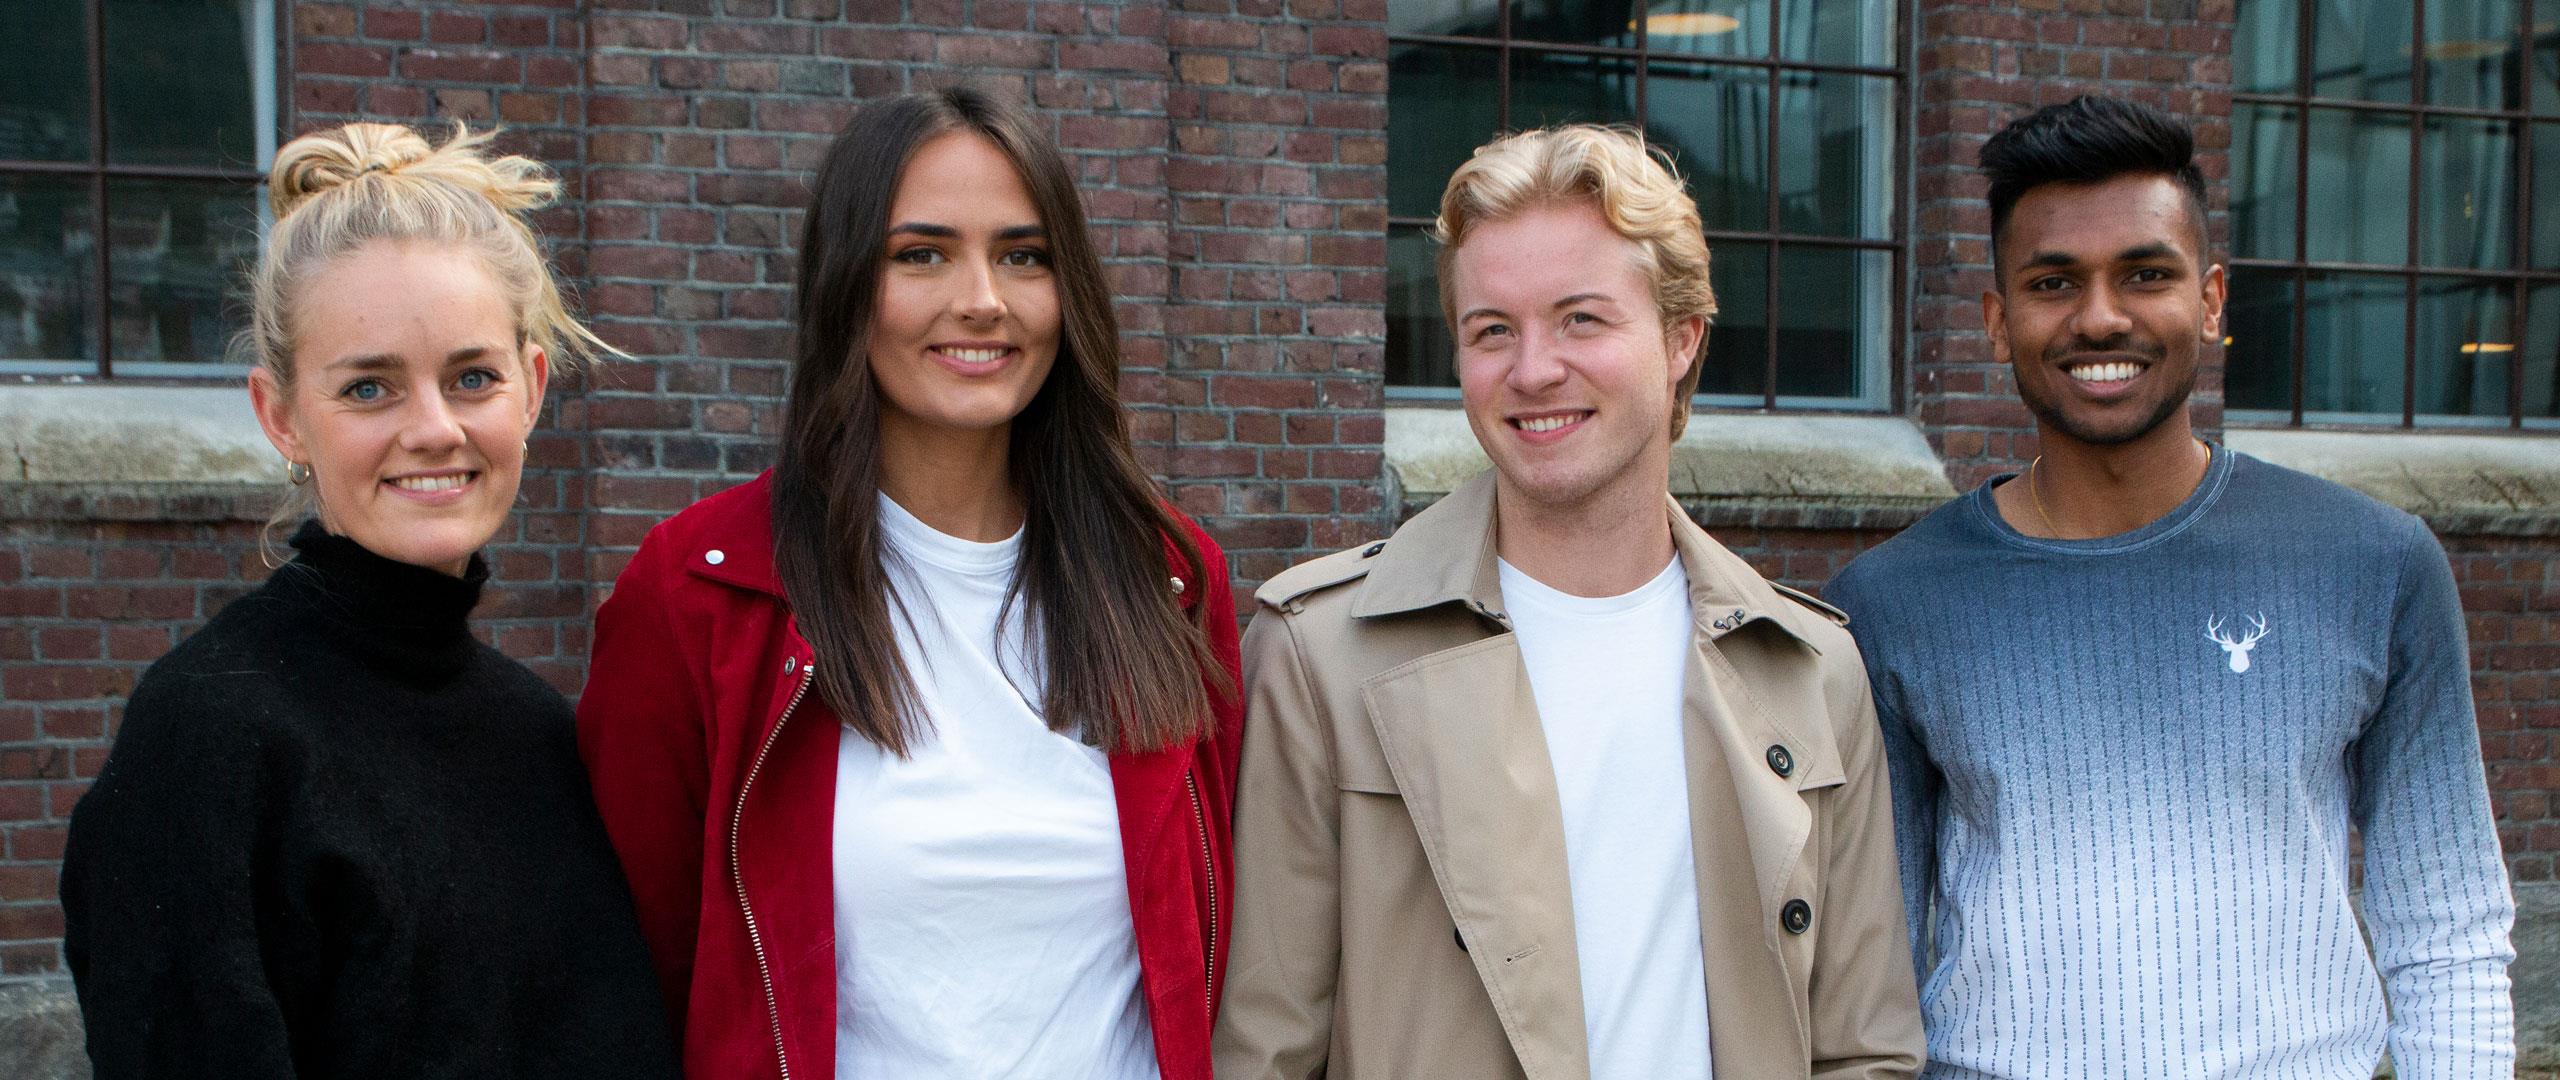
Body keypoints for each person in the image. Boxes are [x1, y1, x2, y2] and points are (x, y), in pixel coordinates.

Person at [1824, 94, 2517, 1078]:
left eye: (2144, 274)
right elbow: (1864, 972)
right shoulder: (1891, 602)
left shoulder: (2371, 561)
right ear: (1996, 317)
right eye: (2053, 281)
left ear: (2211, 298)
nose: (2099, 315)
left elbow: (2445, 927)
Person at [1213, 124, 1924, 1080]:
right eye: (1491, 329)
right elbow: (1264, 1051)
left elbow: (1864, 1049)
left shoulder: (1806, 667)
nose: (1533, 369)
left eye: (1581, 319)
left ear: (1681, 340)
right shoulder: (1324, 655)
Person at [575, 87, 1241, 1080]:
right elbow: (635, 976)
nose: (983, 299)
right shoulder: (699, 594)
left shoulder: (1168, 577)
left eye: (1024, 256)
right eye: (921, 254)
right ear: (846, 285)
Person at [59, 122, 678, 1079]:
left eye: (472, 378)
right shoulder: (208, 739)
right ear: (282, 416)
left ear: (533, 388)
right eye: (369, 388)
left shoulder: (540, 735)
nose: (433, 429)